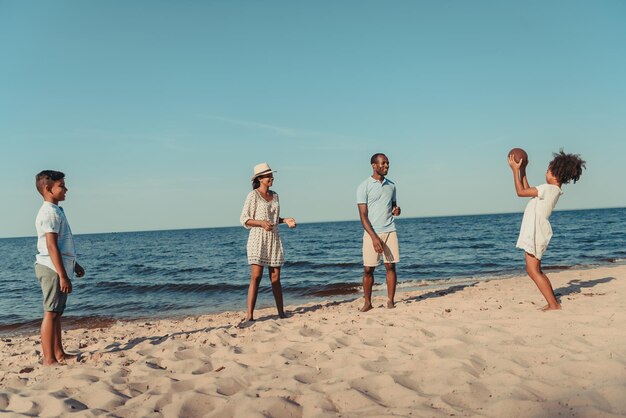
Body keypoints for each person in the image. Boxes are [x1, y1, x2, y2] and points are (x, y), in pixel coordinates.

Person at [508, 150, 586, 311]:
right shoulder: (550, 190)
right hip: (536, 230)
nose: (546, 173)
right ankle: (552, 302)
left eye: (548, 171)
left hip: (536, 231)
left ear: (556, 175)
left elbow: (520, 192)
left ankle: (554, 304)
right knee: (535, 269)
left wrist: (515, 170)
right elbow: (527, 188)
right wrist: (523, 169)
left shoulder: (549, 189)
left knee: (532, 270)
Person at [34, 170, 85, 365]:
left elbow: (61, 246)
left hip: (58, 266)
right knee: (50, 313)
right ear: (48, 188)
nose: (66, 189)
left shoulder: (56, 210)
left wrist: (74, 264)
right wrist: (63, 276)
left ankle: (59, 353)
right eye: (61, 185)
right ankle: (49, 359)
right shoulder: (49, 212)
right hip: (52, 269)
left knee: (56, 313)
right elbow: (51, 246)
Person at [240, 163, 297, 321]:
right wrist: (261, 223)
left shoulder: (276, 195)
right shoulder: (253, 195)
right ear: (259, 179)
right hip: (258, 238)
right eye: (268, 176)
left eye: (271, 175)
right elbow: (244, 219)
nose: (271, 178)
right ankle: (249, 316)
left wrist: (285, 220)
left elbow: (273, 219)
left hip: (273, 238)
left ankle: (281, 313)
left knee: (276, 278)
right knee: (256, 277)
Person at [356, 153, 401, 312]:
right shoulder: (364, 186)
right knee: (368, 269)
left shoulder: (392, 185)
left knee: (391, 267)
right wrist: (374, 238)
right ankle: (368, 303)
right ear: (374, 165)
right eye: (383, 163)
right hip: (371, 233)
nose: (386, 166)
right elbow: (363, 216)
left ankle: (391, 301)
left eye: (388, 163)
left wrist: (397, 210)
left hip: (390, 230)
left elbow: (394, 206)